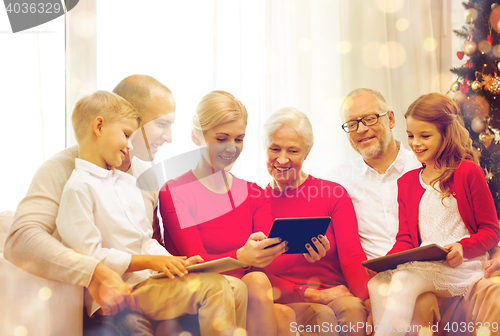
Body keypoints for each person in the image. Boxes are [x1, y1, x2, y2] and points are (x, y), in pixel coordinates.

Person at [4, 75, 235, 336]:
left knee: (229, 290)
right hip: (100, 304)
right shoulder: (64, 171)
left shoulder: (145, 176)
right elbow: (20, 240)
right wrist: (93, 272)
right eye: (161, 124)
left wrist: (180, 264)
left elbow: (147, 240)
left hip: (146, 287)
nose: (169, 138)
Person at [326, 88, 500, 336]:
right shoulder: (408, 181)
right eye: (410, 136)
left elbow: (491, 229)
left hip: (461, 265)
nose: (416, 143)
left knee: (404, 281)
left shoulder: (468, 172)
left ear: (445, 133)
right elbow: (406, 238)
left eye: (425, 136)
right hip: (425, 264)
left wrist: (464, 247)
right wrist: (383, 264)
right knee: (378, 282)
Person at [159, 90, 328, 336]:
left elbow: (269, 256)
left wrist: (306, 252)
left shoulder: (253, 193)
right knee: (263, 290)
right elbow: (195, 261)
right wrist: (241, 257)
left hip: (247, 293)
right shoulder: (175, 191)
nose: (231, 148)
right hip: (200, 294)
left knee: (280, 308)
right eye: (221, 138)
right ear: (196, 136)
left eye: (238, 139)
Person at [262, 107, 371, 336]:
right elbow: (255, 270)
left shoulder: (333, 194)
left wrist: (369, 301)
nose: (282, 159)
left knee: (353, 309)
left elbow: (352, 258)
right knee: (321, 317)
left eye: (292, 151)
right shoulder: (256, 202)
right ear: (265, 148)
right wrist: (308, 293)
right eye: (275, 149)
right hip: (287, 297)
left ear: (306, 154)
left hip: (336, 291)